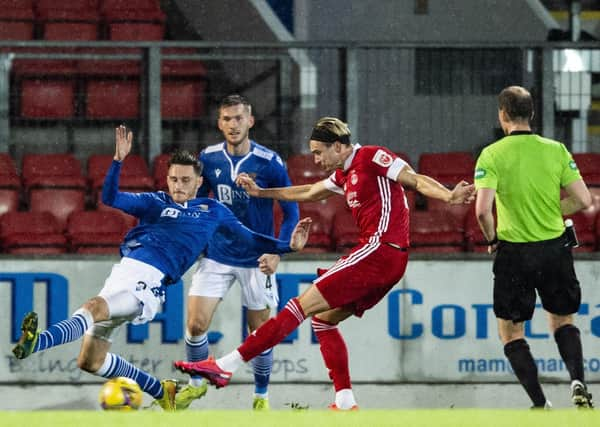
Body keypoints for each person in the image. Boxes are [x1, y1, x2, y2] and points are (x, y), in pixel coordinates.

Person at [173, 116, 475, 410]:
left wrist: (448, 196)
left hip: (379, 249)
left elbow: (415, 179)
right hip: (388, 259)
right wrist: (260, 193)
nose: (315, 159)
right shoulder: (344, 174)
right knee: (323, 319)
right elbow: (308, 191)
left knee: (298, 306)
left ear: (339, 146)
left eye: (319, 152)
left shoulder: (371, 157)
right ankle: (345, 402)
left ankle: (225, 366)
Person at [11, 125, 311, 411]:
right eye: (173, 179)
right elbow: (110, 198)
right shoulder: (155, 202)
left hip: (148, 282)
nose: (177, 185)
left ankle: (39, 341)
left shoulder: (213, 211)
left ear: (198, 182)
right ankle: (162, 392)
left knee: (93, 308)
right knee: (90, 361)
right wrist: (117, 162)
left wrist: (287, 247)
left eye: (184, 180)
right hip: (121, 275)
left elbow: (252, 239)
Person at [473, 86, 594, 409]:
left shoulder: (492, 154)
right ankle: (578, 382)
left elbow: (482, 210)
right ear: (532, 114)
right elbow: (583, 200)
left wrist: (491, 239)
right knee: (563, 321)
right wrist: (551, 212)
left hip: (515, 252)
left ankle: (540, 404)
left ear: (502, 115)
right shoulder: (555, 150)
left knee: (511, 333)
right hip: (555, 249)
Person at [178, 94, 299, 411]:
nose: (233, 124)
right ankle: (195, 384)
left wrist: (278, 252)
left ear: (250, 121)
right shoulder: (209, 158)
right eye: (227, 119)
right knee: (194, 325)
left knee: (259, 334)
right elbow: (198, 205)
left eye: (239, 118)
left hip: (257, 259)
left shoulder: (269, 162)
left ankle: (260, 396)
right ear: (219, 123)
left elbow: (291, 214)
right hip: (217, 255)